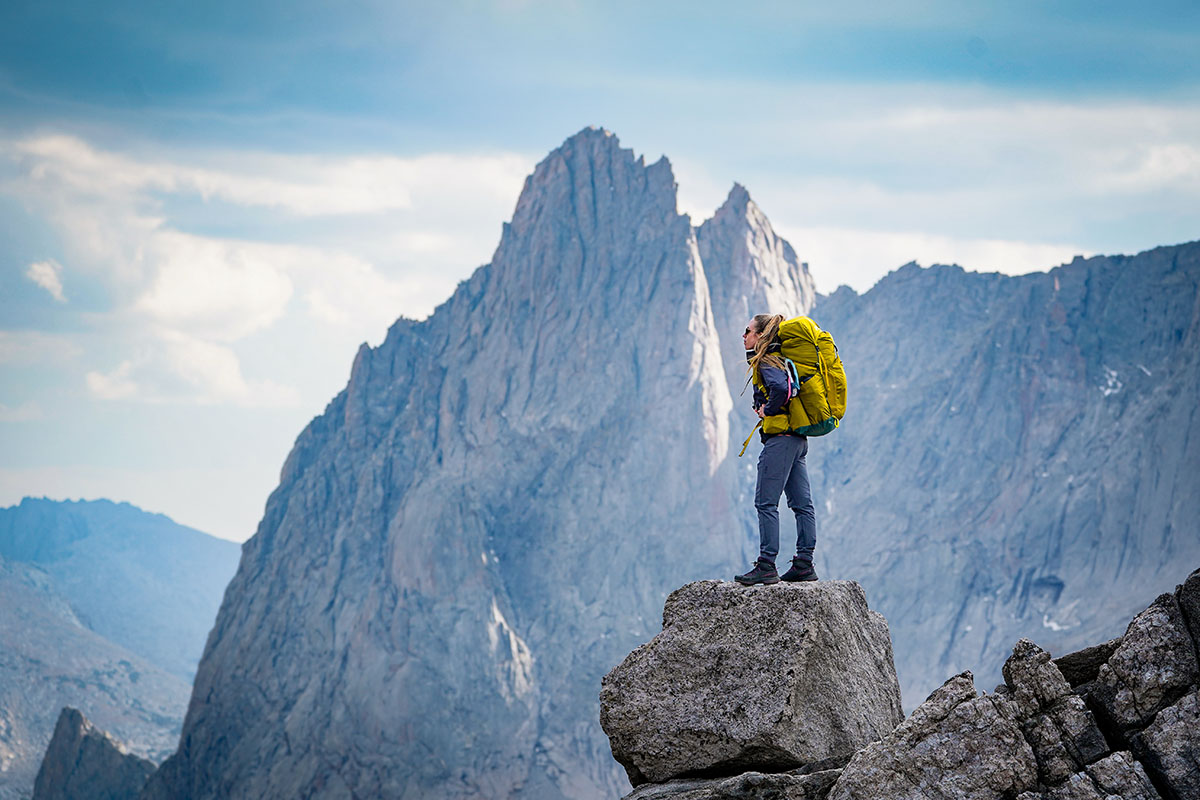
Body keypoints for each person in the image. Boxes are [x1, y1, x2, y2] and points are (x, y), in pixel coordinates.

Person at [735, 314, 818, 586]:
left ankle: (766, 564)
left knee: (766, 502)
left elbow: (780, 388)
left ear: (759, 336)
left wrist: (767, 409)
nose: (744, 336)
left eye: (747, 331)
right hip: (796, 440)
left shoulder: (766, 362)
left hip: (780, 441)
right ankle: (804, 564)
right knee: (801, 504)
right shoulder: (782, 360)